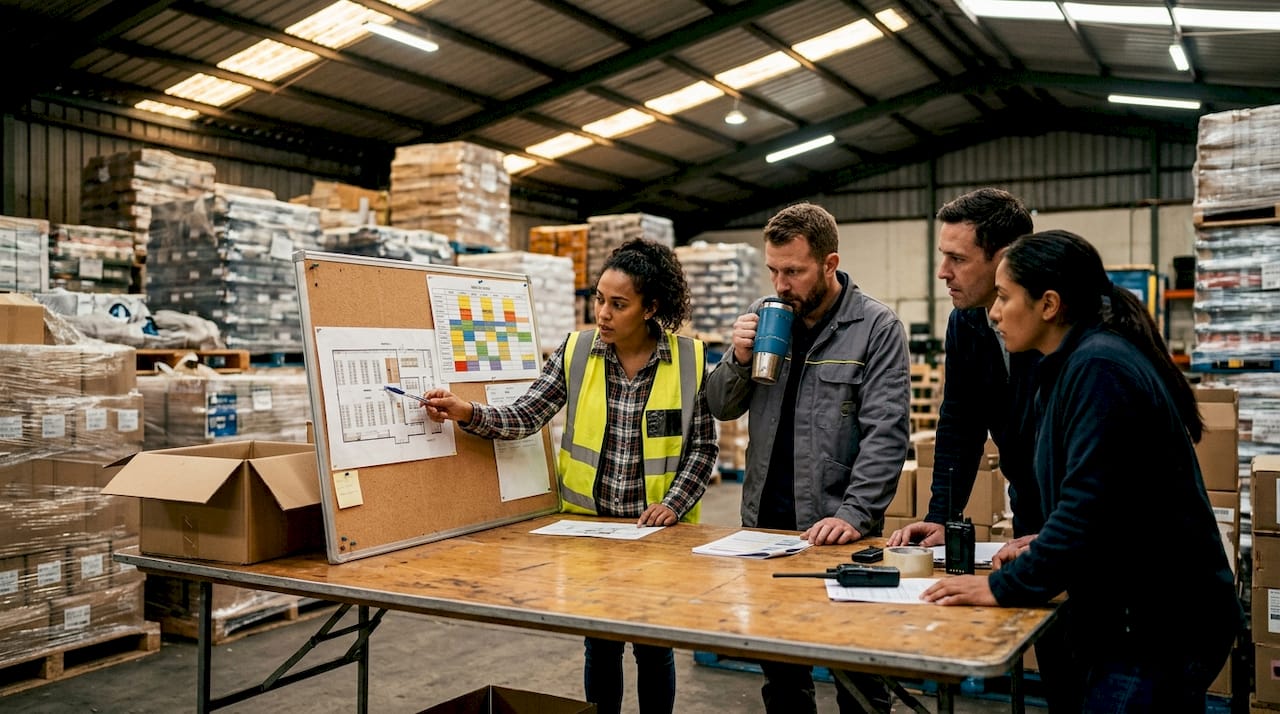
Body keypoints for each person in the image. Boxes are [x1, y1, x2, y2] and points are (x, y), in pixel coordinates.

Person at [921, 230, 1242, 712]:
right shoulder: (1070, 365)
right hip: (1138, 614)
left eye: (1005, 298)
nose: (993, 311)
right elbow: (1110, 500)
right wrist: (1043, 542)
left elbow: (1087, 508)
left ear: (1048, 304)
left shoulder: (1099, 369)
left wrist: (998, 585)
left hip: (1158, 624)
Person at [423, 238, 718, 714]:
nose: (602, 313)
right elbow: (527, 414)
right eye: (599, 299)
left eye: (618, 304)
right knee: (600, 645)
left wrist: (674, 505)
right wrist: (466, 411)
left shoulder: (690, 361)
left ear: (651, 307)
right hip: (590, 532)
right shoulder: (578, 352)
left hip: (657, 534)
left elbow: (702, 449)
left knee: (653, 647)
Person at [705, 202, 910, 714]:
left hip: (839, 528)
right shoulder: (766, 316)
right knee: (782, 677)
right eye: (773, 270)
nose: (781, 284)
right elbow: (721, 406)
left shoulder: (876, 327)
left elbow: (886, 432)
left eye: (793, 271)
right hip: (767, 528)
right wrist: (736, 358)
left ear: (829, 263)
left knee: (858, 675)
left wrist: (854, 514)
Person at [886, 190, 1080, 710]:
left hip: (1086, 518)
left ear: (1006, 258)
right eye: (942, 256)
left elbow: (1099, 469)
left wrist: (1060, 533)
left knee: (1097, 661)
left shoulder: (1069, 331)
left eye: (957, 259)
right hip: (1036, 507)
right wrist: (940, 517)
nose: (942, 272)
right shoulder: (968, 321)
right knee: (1056, 653)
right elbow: (961, 423)